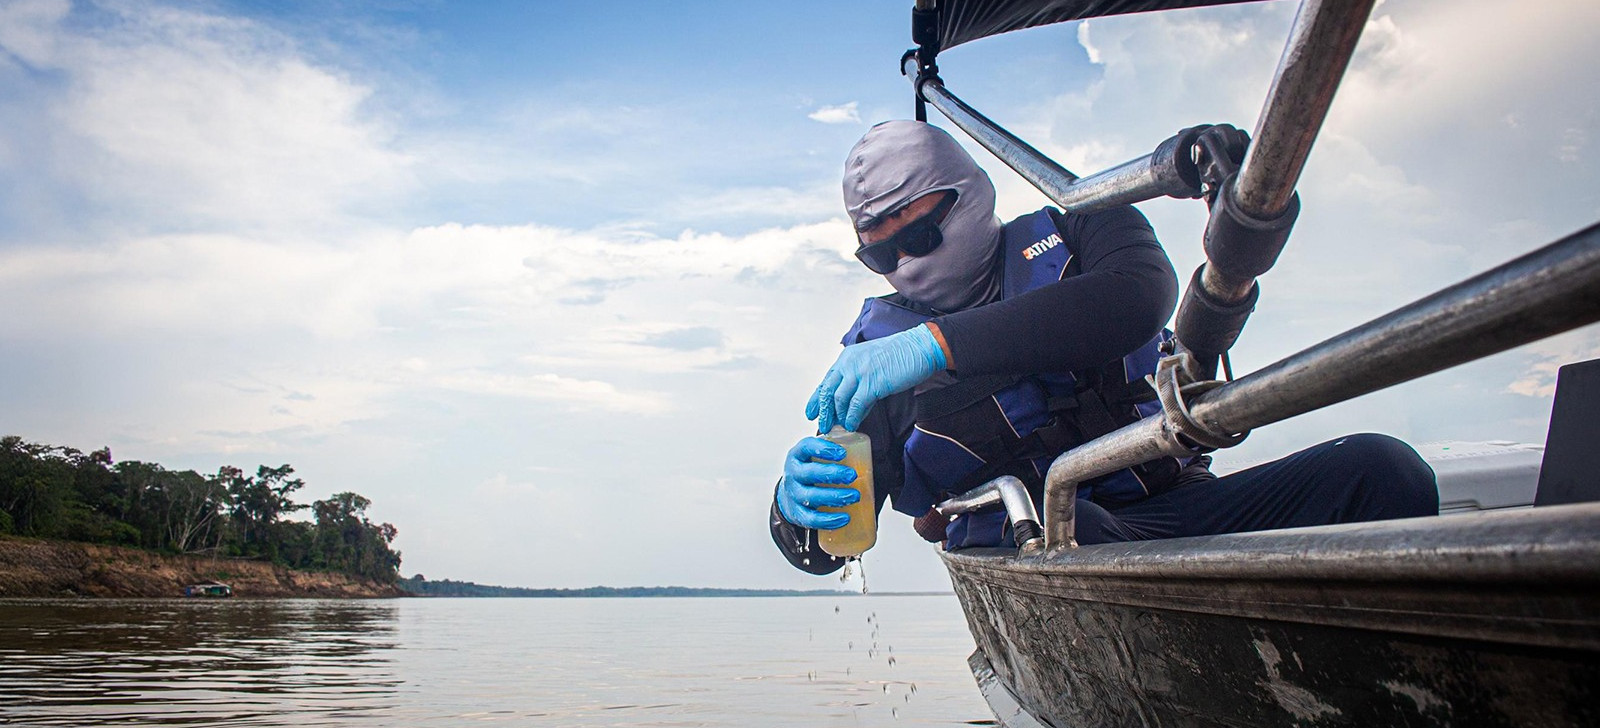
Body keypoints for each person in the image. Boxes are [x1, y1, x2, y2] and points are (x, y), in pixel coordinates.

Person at [768, 120, 1439, 575]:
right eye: (879, 250)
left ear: (969, 198)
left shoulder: (1089, 227)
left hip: (1181, 501)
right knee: (1073, 532)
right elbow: (827, 553)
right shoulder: (874, 363)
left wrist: (941, 344)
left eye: (917, 237)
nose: (905, 264)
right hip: (1038, 539)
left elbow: (1138, 297)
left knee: (1382, 471)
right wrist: (793, 508)